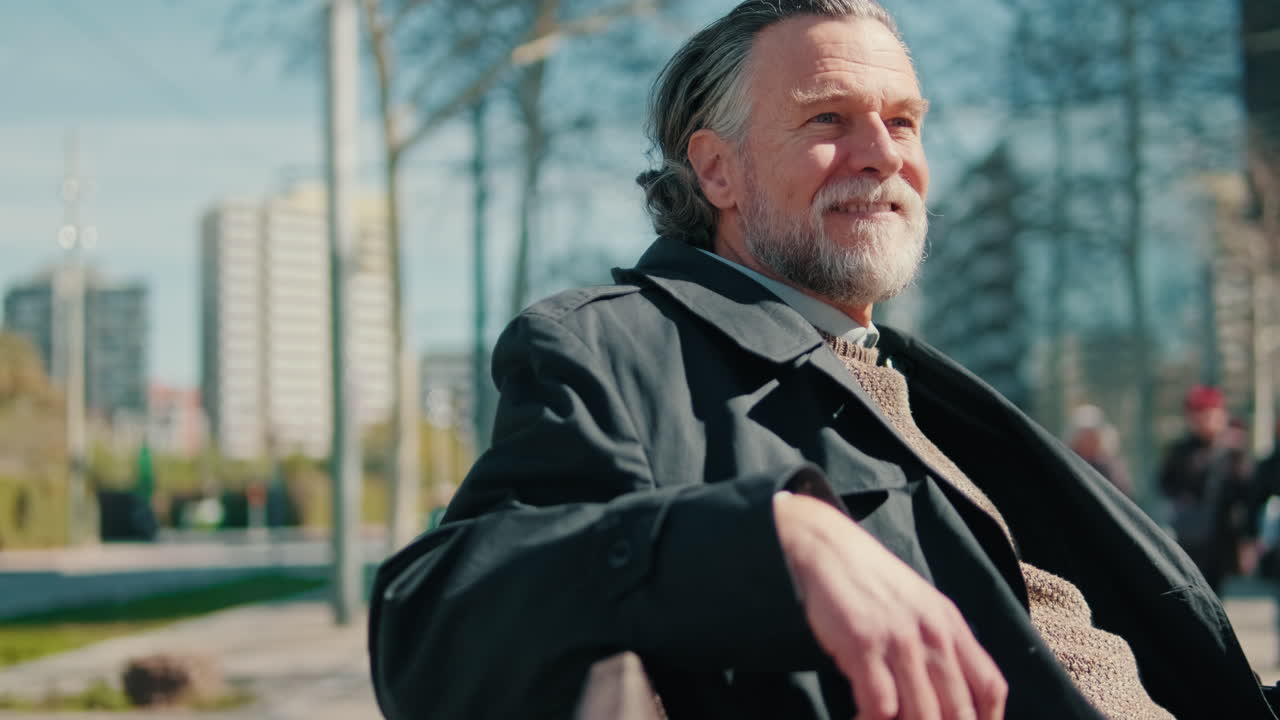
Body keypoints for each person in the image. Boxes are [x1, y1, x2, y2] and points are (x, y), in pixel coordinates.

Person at [368, 2, 1276, 719]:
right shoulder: (614, 347)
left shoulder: (919, 385)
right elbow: (433, 625)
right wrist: (765, 538)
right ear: (717, 172)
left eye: (906, 121)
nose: (884, 155)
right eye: (829, 119)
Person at [1157, 386, 1256, 594]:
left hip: (1223, 537)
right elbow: (1165, 484)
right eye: (1198, 417)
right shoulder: (1181, 451)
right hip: (1190, 537)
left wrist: (1248, 541)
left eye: (1210, 415)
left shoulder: (1233, 452)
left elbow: (1247, 494)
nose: (1205, 422)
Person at [1067, 404, 1132, 498]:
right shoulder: (1068, 461)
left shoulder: (1111, 468)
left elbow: (1123, 496)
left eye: (1092, 436)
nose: (1089, 442)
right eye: (1085, 436)